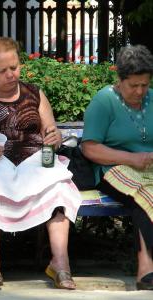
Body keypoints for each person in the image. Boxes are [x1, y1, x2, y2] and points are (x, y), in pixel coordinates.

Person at [0, 37, 82, 289]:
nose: (11, 74)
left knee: (59, 187)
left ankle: (60, 263)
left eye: (15, 67)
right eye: (2, 70)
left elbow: (50, 132)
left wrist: (54, 138)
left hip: (32, 163)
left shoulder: (35, 94)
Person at [81, 44, 153, 290]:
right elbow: (89, 148)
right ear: (120, 80)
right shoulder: (105, 100)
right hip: (112, 168)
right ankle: (146, 265)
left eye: (145, 84)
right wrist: (131, 158)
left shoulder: (152, 99)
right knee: (146, 193)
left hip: (149, 168)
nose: (140, 91)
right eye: (134, 85)